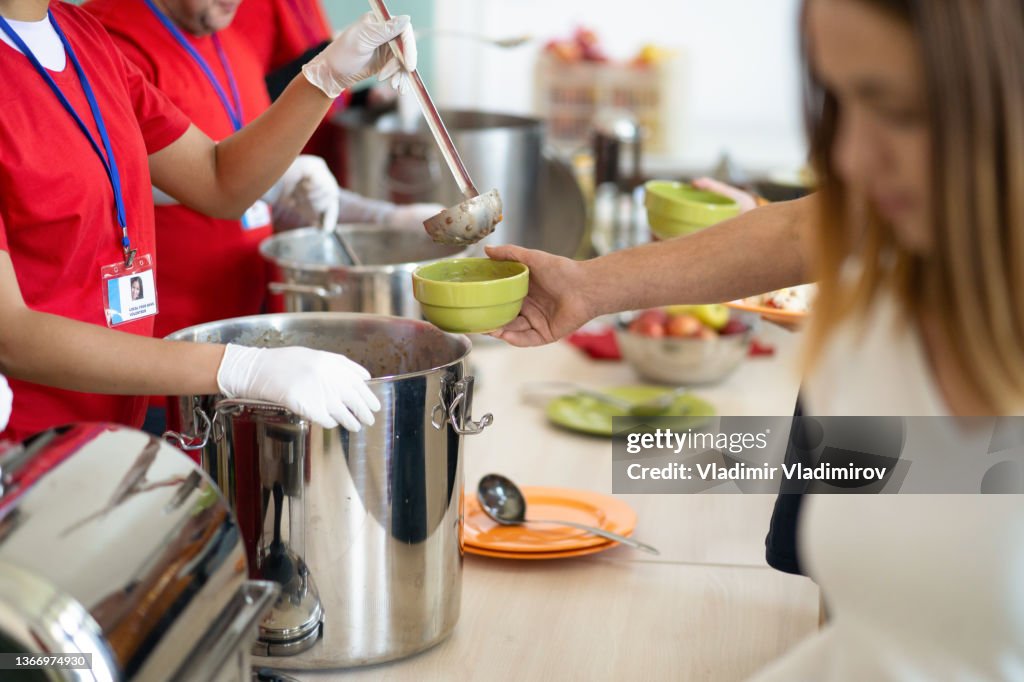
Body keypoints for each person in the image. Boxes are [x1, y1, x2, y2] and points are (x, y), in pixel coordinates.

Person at [488, 0, 1024, 677]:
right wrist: (588, 290)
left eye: (899, 109)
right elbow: (883, 630)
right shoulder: (878, 337)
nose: (852, 159)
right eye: (837, 103)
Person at [0, 0, 418, 441]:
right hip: (24, 447)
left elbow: (218, 180)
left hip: (111, 427)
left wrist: (326, 77)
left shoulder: (80, 35)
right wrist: (238, 367)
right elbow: (11, 333)